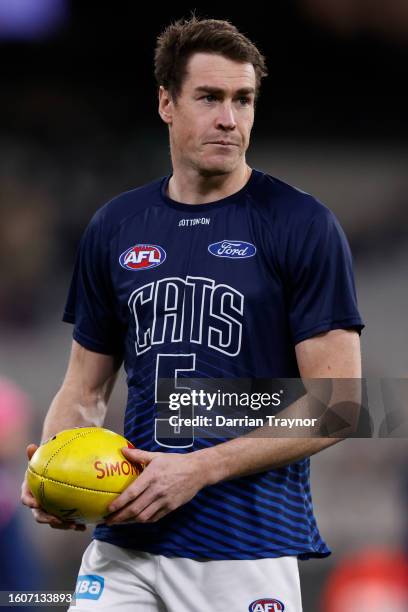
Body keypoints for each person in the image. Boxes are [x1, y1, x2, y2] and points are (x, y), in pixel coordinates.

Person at [21, 16, 364, 612]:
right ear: (166, 103)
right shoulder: (116, 226)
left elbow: (337, 403)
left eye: (243, 100)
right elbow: (83, 388)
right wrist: (55, 471)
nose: (229, 119)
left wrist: (196, 469)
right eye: (209, 97)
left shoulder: (301, 224)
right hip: (126, 539)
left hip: (245, 547)